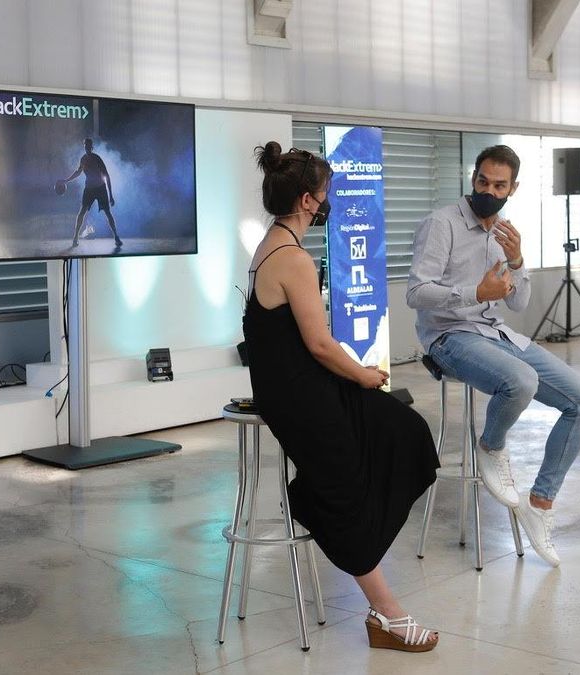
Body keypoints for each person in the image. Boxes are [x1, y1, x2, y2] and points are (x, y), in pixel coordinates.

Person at [243, 141, 440, 652]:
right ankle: (387, 614)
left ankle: (322, 504)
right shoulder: (293, 259)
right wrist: (363, 376)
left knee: (400, 429)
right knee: (351, 484)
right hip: (298, 392)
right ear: (309, 200)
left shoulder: (274, 244)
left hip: (297, 383)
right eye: (326, 192)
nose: (329, 199)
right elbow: (321, 344)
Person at [405, 144, 580, 567]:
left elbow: (518, 303)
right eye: (482, 182)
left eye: (499, 186)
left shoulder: (503, 233)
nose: (488, 192)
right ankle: (491, 448)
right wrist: (475, 292)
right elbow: (416, 293)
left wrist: (516, 260)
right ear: (472, 178)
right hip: (449, 337)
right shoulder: (441, 224)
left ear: (513, 188)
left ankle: (541, 504)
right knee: (522, 381)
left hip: (497, 334)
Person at [61, 137, 122, 249]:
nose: (87, 148)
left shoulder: (97, 158)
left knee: (108, 212)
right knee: (82, 212)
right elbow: (78, 172)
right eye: (85, 146)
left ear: (91, 147)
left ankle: (116, 237)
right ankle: (75, 237)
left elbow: (106, 175)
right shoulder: (83, 159)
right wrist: (66, 180)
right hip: (89, 189)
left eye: (89, 146)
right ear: (84, 147)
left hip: (100, 188)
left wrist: (111, 195)